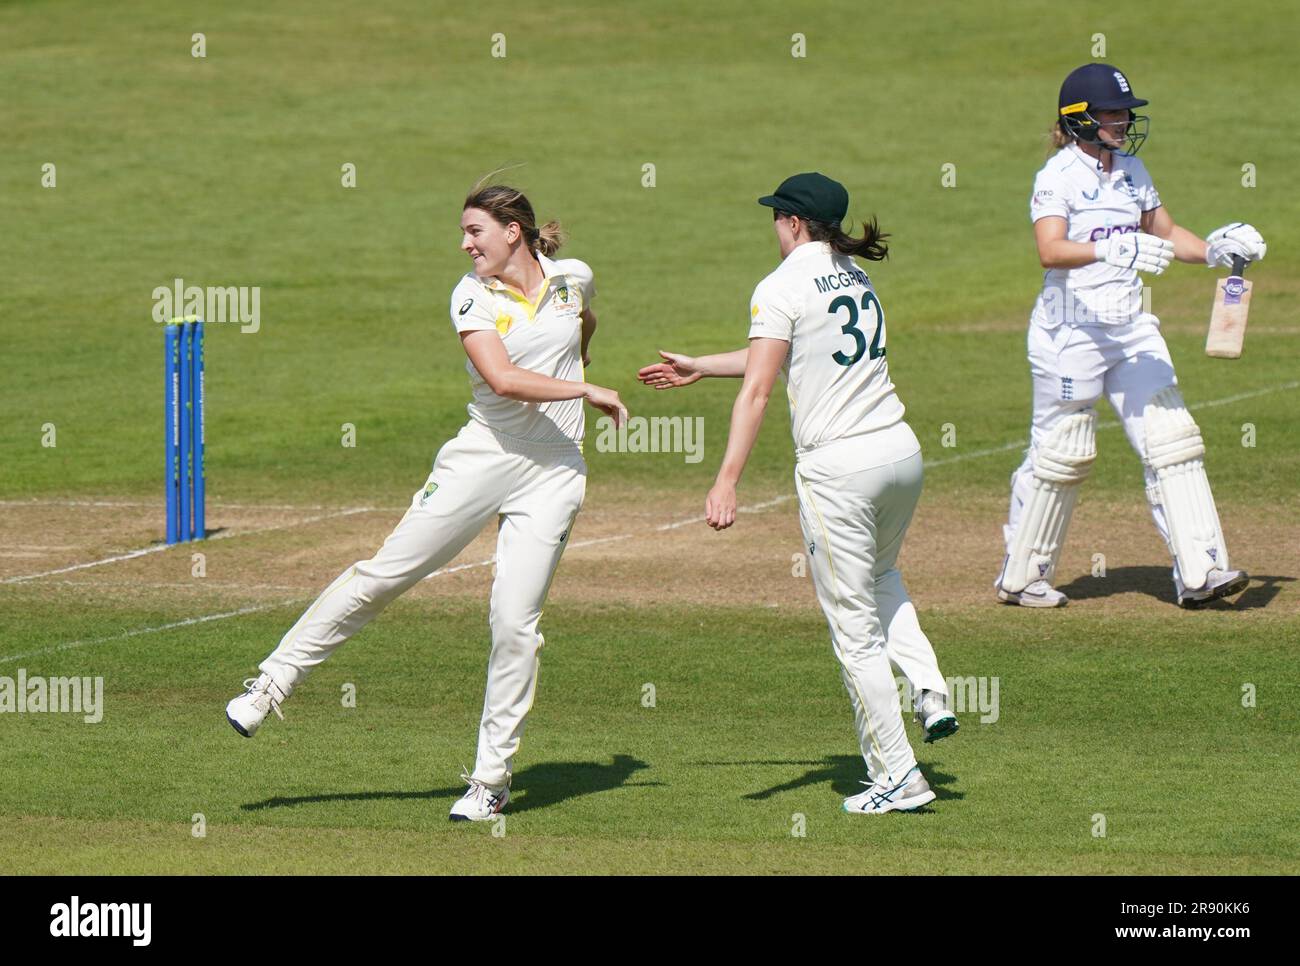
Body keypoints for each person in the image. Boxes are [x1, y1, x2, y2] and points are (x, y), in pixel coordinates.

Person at [225, 182, 627, 822]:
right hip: (483, 456)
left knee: (515, 625)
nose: (466, 244)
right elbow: (502, 379)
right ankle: (272, 683)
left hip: (554, 471)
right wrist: (589, 389)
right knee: (386, 574)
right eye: (465, 233)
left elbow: (584, 320)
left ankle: (490, 783)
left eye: (476, 232)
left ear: (512, 232)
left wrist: (583, 364)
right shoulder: (470, 295)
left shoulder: (573, 277)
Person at [638, 172, 954, 814]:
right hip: (899, 452)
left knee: (853, 631)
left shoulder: (780, 285)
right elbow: (776, 357)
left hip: (840, 472)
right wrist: (702, 364)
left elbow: (758, 390)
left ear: (793, 222)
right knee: (883, 576)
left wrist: (726, 479)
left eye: (775, 217)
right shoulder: (854, 274)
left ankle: (899, 776)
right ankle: (931, 688)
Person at [996, 63, 1266, 609]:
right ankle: (1022, 575)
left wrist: (1215, 250)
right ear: (1080, 120)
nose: (1123, 122)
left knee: (1173, 439)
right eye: (1113, 113)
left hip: (1131, 325)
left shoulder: (1133, 171)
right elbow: (1049, 250)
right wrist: (1110, 248)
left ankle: (1200, 572)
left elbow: (1165, 233)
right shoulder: (1057, 177)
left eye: (1125, 113)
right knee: (1061, 454)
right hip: (1069, 331)